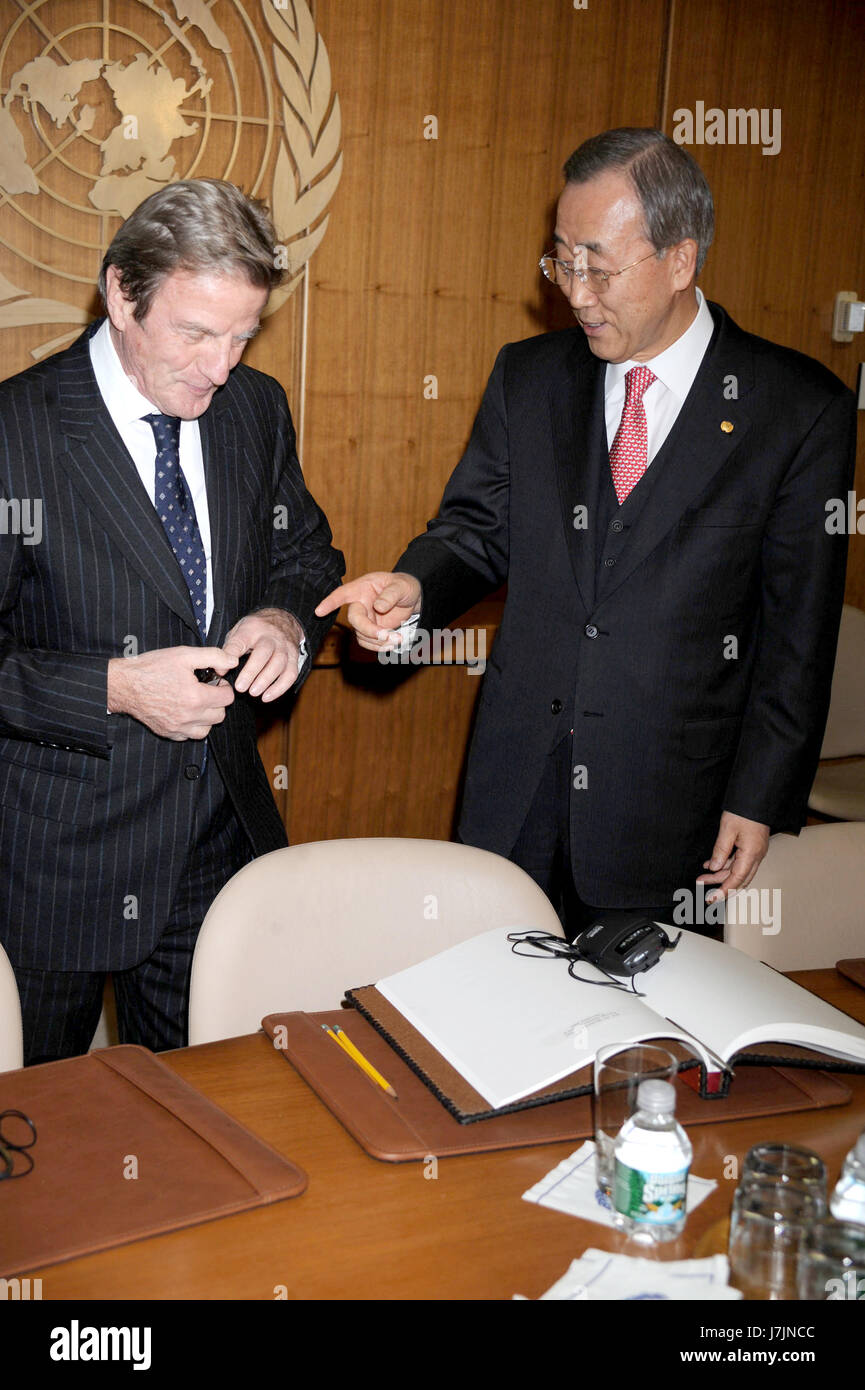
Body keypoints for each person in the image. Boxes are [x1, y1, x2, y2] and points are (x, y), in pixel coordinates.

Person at [316, 128, 856, 941]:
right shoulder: (529, 378)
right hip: (516, 786)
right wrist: (416, 586)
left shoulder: (795, 409)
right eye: (560, 260)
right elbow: (474, 531)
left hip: (672, 802)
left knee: (643, 1040)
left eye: (597, 266)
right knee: (496, 1024)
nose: (573, 291)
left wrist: (759, 795)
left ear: (679, 260)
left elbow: (797, 631)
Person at [0, 178, 344, 1063]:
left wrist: (281, 620)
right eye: (194, 333)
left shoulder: (254, 409)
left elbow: (305, 554)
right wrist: (113, 688)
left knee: (206, 1122)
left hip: (215, 846)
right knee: (41, 1143)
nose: (219, 367)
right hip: (52, 865)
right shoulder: (15, 432)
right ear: (121, 293)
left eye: (241, 335)